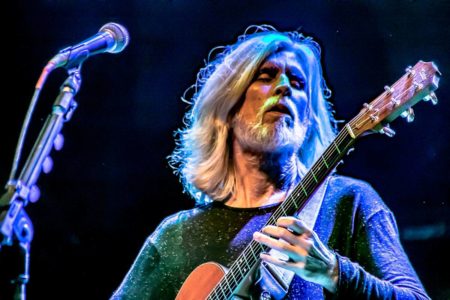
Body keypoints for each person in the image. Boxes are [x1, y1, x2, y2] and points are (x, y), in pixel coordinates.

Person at [110, 25, 430, 299]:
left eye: (298, 82)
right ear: (228, 107)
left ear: (308, 119)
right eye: (266, 76)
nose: (283, 87)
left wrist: (334, 272)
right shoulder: (176, 235)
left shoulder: (348, 202)